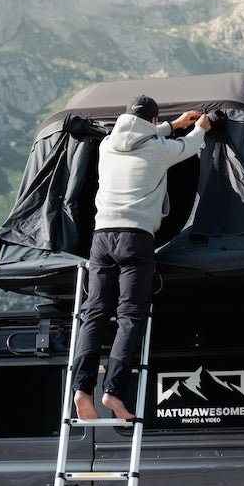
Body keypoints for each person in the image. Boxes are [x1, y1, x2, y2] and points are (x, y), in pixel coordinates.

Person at [72, 95, 211, 420]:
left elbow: (139, 134)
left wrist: (171, 126)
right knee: (130, 316)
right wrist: (200, 127)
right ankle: (113, 392)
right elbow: (189, 147)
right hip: (135, 240)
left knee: (93, 314)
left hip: (101, 239)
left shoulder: (106, 145)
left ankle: (82, 390)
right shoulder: (157, 150)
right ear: (151, 121)